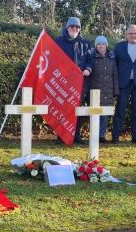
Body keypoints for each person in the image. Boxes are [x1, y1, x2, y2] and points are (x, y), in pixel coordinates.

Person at [55, 17, 93, 145]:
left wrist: (88, 68)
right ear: (67, 28)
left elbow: (91, 59)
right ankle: (61, 135)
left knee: (78, 109)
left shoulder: (86, 43)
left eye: (77, 27)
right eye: (72, 26)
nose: (75, 29)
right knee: (63, 108)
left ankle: (76, 134)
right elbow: (53, 58)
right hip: (63, 81)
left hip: (80, 82)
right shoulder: (58, 41)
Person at [112, 24, 136, 144]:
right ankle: (115, 136)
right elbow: (115, 64)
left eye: (135, 33)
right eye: (130, 33)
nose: (133, 35)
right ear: (126, 34)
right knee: (120, 109)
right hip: (124, 83)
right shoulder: (119, 47)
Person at [86, 35, 119, 143]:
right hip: (95, 91)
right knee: (94, 114)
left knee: (104, 115)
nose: (101, 46)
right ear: (96, 46)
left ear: (106, 45)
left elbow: (115, 75)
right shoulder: (91, 57)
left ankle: (101, 135)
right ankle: (94, 135)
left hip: (108, 91)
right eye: (99, 44)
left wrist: (115, 91)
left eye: (103, 44)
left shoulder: (111, 59)